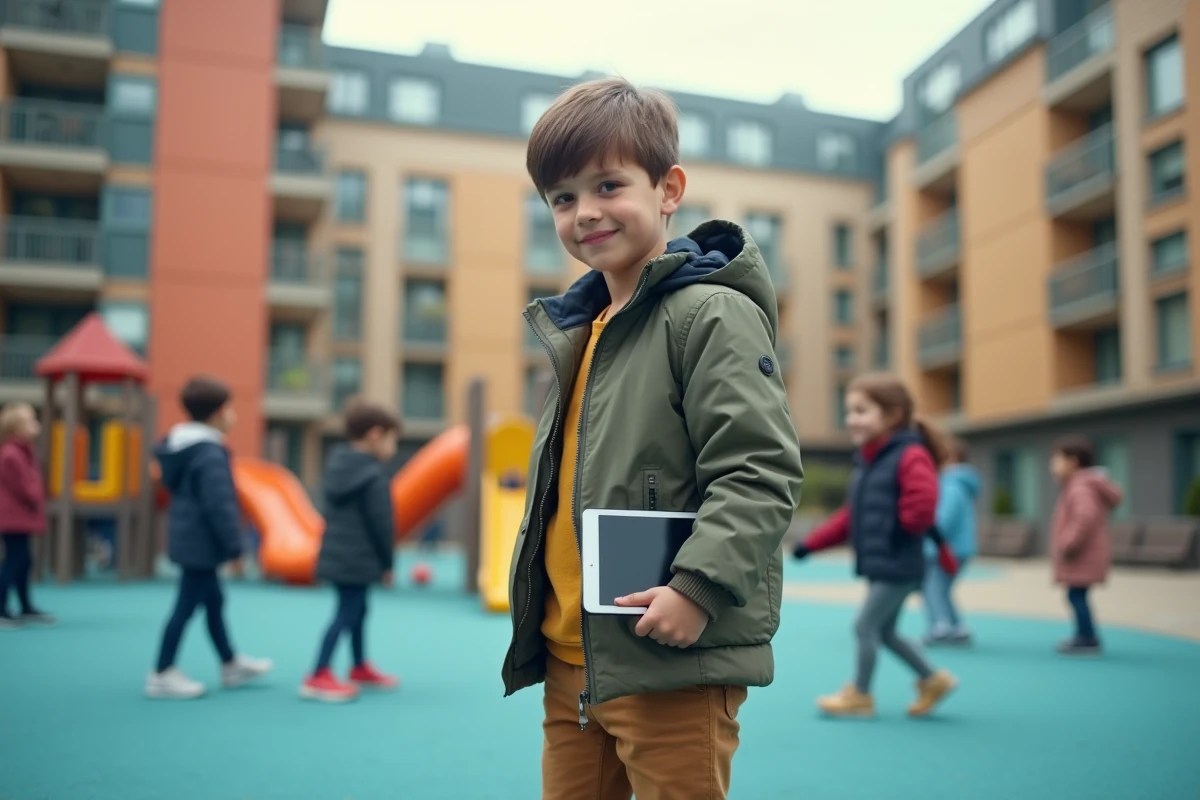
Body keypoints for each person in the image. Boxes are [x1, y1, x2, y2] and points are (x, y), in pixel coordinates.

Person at [503, 78, 804, 800]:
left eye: (609, 184)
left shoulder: (708, 315)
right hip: (573, 659)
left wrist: (695, 587)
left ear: (669, 189)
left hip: (670, 655)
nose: (586, 212)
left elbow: (758, 470)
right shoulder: (585, 331)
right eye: (563, 197)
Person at [792, 373, 957, 718]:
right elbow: (851, 518)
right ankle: (933, 679)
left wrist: (899, 532)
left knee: (864, 626)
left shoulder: (910, 454)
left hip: (898, 561)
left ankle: (860, 695)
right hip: (887, 561)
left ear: (893, 415)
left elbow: (924, 501)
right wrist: (810, 544)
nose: (851, 419)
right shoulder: (871, 462)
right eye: (849, 411)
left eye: (861, 411)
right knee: (885, 631)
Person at [145, 377, 272, 699]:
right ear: (217, 414)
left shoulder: (181, 448)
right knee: (186, 605)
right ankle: (162, 671)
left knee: (214, 602)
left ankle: (230, 663)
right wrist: (236, 549)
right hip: (201, 543)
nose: (234, 417)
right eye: (230, 410)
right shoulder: (210, 453)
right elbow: (220, 505)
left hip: (190, 538)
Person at [301, 401, 401, 702]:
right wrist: (388, 563)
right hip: (359, 557)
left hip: (338, 554)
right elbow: (382, 525)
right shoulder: (373, 475)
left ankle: (358, 666)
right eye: (392, 440)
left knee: (357, 609)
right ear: (375, 435)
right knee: (347, 613)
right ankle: (318, 674)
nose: (393, 448)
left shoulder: (338, 466)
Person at [1048, 437, 1121, 656]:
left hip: (1080, 555)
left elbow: (1085, 516)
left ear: (1073, 461)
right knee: (1077, 595)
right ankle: (1085, 634)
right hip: (1084, 554)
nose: (1053, 465)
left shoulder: (1080, 485)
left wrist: (1067, 543)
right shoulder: (1083, 483)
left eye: (1057, 459)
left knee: (1076, 595)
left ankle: (1087, 637)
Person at [0, 402, 54, 629]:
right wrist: (38, 495)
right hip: (11, 517)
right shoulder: (12, 454)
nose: (36, 425)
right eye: (30, 422)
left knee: (24, 560)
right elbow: (24, 486)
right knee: (16, 560)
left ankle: (25, 606)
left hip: (19, 516)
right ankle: (1, 608)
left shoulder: (24, 451)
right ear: (16, 428)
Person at [922, 436, 980, 646]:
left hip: (947, 548)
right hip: (957, 547)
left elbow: (944, 519)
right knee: (941, 588)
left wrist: (927, 533)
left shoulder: (951, 484)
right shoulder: (960, 483)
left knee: (932, 587)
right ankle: (957, 626)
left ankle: (941, 625)